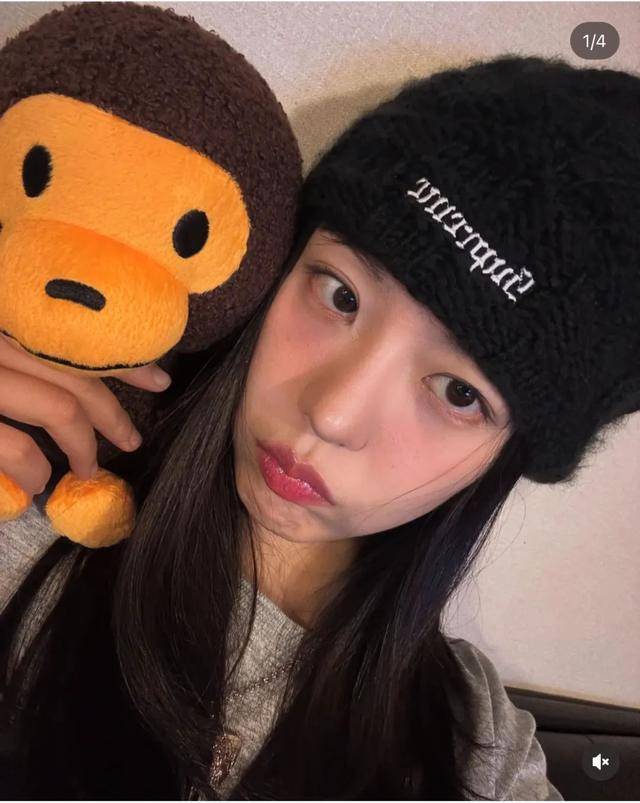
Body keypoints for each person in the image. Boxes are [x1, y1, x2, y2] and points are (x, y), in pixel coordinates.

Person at [2, 51, 640, 800]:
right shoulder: (32, 507)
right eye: (340, 295)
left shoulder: (474, 744)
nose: (332, 413)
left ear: (508, 451)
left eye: (459, 392)